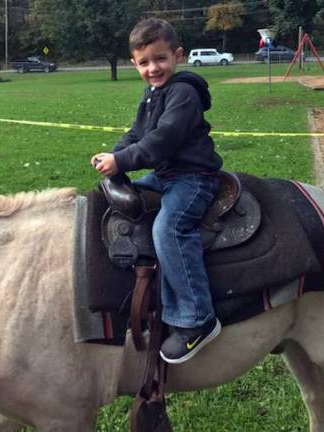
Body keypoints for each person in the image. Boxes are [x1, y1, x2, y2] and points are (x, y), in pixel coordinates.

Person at [91, 18, 222, 364]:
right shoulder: (152, 94)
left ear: (177, 55)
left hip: (193, 178)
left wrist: (123, 161)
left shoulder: (183, 93)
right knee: (121, 203)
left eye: (160, 58)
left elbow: (162, 140)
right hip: (165, 175)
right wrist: (115, 154)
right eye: (144, 62)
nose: (153, 68)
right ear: (135, 64)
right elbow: (137, 133)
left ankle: (197, 318)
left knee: (170, 229)